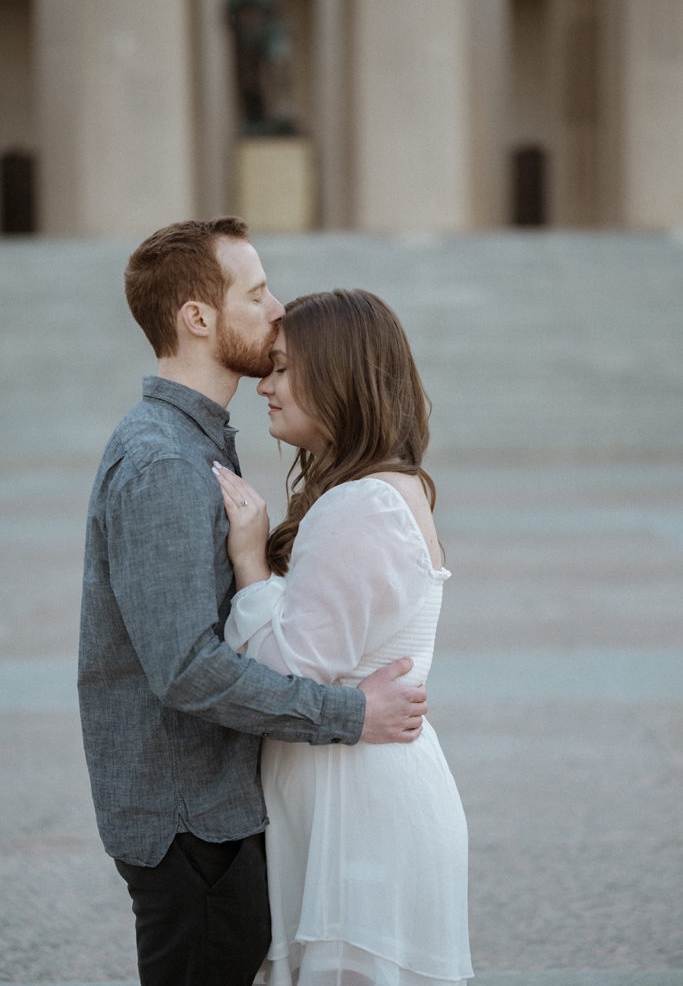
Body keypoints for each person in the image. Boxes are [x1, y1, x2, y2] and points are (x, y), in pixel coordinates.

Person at [78, 218, 428, 986]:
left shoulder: (196, 442)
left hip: (214, 809)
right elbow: (184, 670)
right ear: (196, 318)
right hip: (189, 822)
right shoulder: (163, 460)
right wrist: (352, 716)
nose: (277, 310)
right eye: (257, 292)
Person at [212, 288, 473, 986]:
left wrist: (248, 562)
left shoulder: (358, 504)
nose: (262, 386)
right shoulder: (386, 488)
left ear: (340, 373)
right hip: (360, 788)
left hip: (355, 806)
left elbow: (286, 670)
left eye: (282, 367)